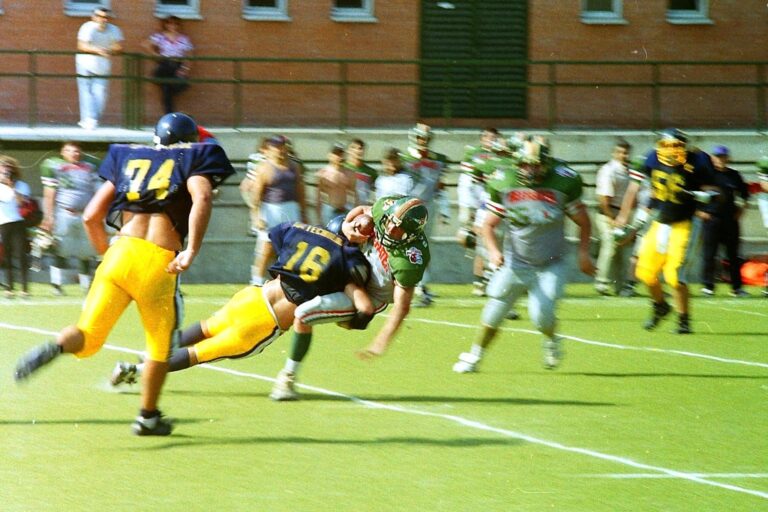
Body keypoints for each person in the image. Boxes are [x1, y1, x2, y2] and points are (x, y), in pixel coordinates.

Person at [13, 112, 235, 436]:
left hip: (118, 254)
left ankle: (58, 346)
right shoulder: (194, 156)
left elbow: (91, 216)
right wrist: (192, 250)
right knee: (160, 348)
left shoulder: (131, 157)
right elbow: (201, 196)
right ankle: (148, 417)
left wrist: (107, 253)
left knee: (86, 338)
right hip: (157, 261)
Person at [110, 219, 374, 386]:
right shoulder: (349, 259)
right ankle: (136, 369)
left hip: (252, 296)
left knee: (206, 328)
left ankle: (149, 354)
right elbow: (364, 307)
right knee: (200, 353)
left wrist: (268, 271)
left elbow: (273, 235)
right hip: (266, 321)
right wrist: (354, 321)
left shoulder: (302, 229)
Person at [453, 138, 594, 373]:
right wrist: (494, 251)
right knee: (494, 311)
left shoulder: (561, 184)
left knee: (541, 317)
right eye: (525, 164)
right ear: (517, 163)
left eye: (536, 164)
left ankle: (551, 340)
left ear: (546, 164)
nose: (530, 169)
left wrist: (583, 254)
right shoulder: (505, 182)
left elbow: (584, 221)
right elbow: (488, 225)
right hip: (516, 262)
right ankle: (475, 356)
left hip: (550, 264)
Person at [270, 195, 430, 401]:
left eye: (398, 229)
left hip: (370, 295)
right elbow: (364, 209)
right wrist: (347, 224)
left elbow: (402, 307)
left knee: (303, 314)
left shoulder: (409, 258)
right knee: (332, 240)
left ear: (411, 236)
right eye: (390, 223)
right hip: (352, 270)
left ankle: (287, 377)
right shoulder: (385, 210)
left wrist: (380, 342)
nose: (390, 230)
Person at [615, 129, 716, 334]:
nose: (670, 151)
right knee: (645, 272)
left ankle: (684, 321)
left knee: (673, 276)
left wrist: (707, 197)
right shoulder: (652, 158)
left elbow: (716, 191)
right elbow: (640, 190)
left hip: (685, 223)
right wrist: (628, 216)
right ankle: (661, 306)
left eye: (675, 147)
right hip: (660, 222)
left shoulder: (698, 161)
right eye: (666, 146)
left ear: (684, 147)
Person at [241, 135, 307, 285]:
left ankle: (287, 281)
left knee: (292, 248)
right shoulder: (263, 168)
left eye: (282, 146)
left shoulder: (294, 167)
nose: (280, 150)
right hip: (271, 210)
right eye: (276, 147)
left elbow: (301, 192)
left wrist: (304, 214)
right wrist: (256, 217)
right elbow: (256, 196)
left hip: (291, 210)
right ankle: (256, 281)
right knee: (266, 248)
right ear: (269, 149)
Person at [39, 141, 101, 295]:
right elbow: (49, 193)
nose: (74, 153)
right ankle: (57, 284)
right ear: (62, 152)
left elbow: (98, 191)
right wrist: (48, 217)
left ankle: (86, 286)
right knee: (59, 248)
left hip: (85, 214)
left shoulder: (91, 166)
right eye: (70, 150)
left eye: (77, 150)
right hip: (65, 213)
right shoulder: (54, 166)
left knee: (86, 251)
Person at [400, 123, 449, 307]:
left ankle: (422, 285)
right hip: (409, 207)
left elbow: (439, 186)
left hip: (428, 206)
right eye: (420, 137)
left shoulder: (438, 161)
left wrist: (444, 209)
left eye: (426, 138)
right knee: (409, 245)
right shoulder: (404, 158)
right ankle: (413, 283)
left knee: (425, 246)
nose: (423, 141)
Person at [699, 145, 750, 297]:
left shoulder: (734, 175)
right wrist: (699, 211)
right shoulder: (707, 175)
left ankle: (737, 288)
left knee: (733, 255)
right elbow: (694, 194)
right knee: (709, 254)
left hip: (730, 220)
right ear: (712, 158)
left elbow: (744, 195)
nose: (720, 160)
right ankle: (708, 287)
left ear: (727, 158)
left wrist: (741, 210)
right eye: (717, 156)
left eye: (722, 157)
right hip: (711, 219)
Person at [458, 128, 500, 297]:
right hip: (483, 204)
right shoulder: (475, 155)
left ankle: (487, 279)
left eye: (494, 137)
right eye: (488, 137)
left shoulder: (502, 159)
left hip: (496, 204)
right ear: (482, 139)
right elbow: (468, 183)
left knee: (489, 244)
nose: (491, 140)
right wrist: (469, 210)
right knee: (480, 243)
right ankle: (480, 279)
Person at [594, 140, 633, 296]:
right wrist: (612, 219)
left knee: (622, 251)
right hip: (607, 214)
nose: (624, 156)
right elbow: (603, 199)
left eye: (626, 153)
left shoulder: (628, 171)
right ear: (614, 153)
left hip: (622, 215)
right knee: (610, 246)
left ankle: (620, 287)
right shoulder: (608, 170)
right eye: (620, 152)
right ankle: (601, 283)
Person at [75, 7, 123, 130]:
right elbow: (81, 45)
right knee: (86, 91)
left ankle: (92, 120)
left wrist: (109, 50)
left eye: (105, 17)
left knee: (100, 93)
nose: (103, 19)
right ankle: (88, 120)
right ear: (94, 17)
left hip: (102, 65)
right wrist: (97, 50)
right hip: (84, 63)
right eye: (100, 16)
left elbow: (119, 47)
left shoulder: (114, 30)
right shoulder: (87, 27)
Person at [142, 16, 194, 114]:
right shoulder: (160, 36)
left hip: (177, 65)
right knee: (166, 90)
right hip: (165, 64)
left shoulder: (184, 38)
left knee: (178, 86)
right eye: (170, 23)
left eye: (175, 23)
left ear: (178, 25)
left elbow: (189, 55)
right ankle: (169, 114)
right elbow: (145, 44)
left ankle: (169, 115)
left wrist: (185, 69)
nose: (173, 26)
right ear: (165, 24)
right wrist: (156, 55)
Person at [0, 155, 32, 298]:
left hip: (17, 222)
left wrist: (11, 185)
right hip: (3, 223)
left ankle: (24, 288)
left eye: (7, 166)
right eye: (2, 166)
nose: (5, 169)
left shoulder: (21, 185)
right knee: (6, 256)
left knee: (20, 255)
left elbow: (21, 203)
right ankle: (9, 287)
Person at [315, 143, 355, 225]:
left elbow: (355, 194)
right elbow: (318, 198)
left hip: (345, 210)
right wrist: (319, 218)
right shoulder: (323, 173)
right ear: (330, 155)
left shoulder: (349, 173)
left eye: (341, 154)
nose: (339, 157)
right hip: (329, 211)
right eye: (336, 154)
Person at [345, 138, 377, 206]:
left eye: (360, 148)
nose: (357, 151)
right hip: (343, 209)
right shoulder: (342, 168)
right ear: (348, 151)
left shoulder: (370, 172)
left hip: (361, 209)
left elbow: (376, 191)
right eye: (353, 148)